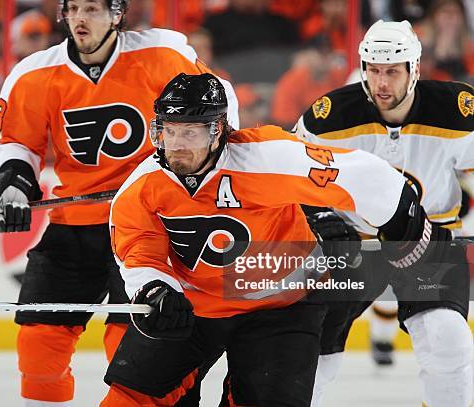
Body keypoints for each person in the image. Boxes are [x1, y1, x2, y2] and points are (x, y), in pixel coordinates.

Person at [101, 72, 451, 406]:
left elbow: (361, 173)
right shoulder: (143, 186)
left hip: (281, 307)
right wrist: (154, 288)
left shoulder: (266, 157)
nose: (175, 145)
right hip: (195, 305)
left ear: (218, 130)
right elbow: (138, 250)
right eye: (168, 131)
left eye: (189, 133)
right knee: (130, 401)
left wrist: (401, 220)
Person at [0, 1, 238, 405]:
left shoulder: (161, 55)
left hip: (146, 224)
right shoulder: (34, 73)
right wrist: (13, 184)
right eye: (74, 9)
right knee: (38, 342)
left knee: (133, 341)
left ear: (118, 15)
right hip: (73, 224)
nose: (81, 19)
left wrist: (195, 174)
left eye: (94, 9)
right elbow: (17, 142)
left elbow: (219, 108)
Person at [294, 20, 473, 407]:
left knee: (448, 342)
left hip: (430, 244)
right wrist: (318, 218)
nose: (381, 83)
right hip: (352, 250)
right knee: (308, 357)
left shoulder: (457, 111)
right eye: (373, 70)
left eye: (392, 71)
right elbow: (290, 179)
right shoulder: (329, 119)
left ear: (415, 69)